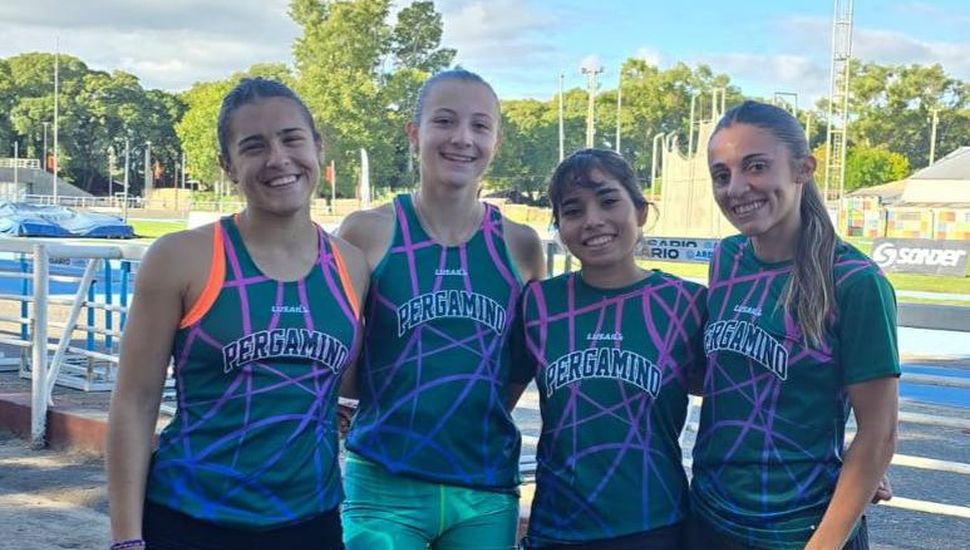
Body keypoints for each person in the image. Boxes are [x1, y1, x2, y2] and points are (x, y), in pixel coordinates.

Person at [106, 78, 369, 550]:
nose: (278, 159)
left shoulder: (351, 266)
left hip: (311, 520)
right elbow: (134, 401)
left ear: (318, 146)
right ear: (228, 166)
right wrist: (126, 539)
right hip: (191, 519)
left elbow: (343, 384)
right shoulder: (181, 258)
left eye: (291, 139)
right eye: (254, 146)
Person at [336, 69, 545, 550]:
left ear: (496, 141)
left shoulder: (520, 244)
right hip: (385, 480)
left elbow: (518, 364)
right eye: (445, 121)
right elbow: (341, 359)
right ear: (414, 133)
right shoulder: (367, 232)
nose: (462, 138)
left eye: (480, 125)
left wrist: (464, 409)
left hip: (483, 483)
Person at [690, 100, 899, 550]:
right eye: (721, 175)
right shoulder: (726, 258)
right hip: (710, 518)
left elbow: (879, 432)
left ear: (804, 168)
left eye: (756, 166)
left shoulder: (856, 281)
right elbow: (730, 377)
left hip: (802, 531)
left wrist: (828, 535)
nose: (736, 188)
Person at [512, 149, 707, 550]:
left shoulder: (688, 303)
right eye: (573, 210)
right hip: (558, 527)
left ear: (640, 211)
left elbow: (745, 398)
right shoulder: (537, 304)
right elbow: (494, 401)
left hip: (655, 524)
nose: (593, 220)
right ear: (559, 226)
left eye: (608, 200)